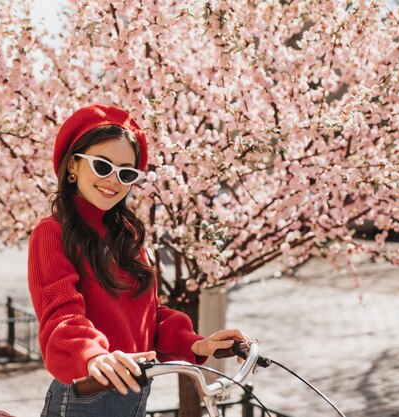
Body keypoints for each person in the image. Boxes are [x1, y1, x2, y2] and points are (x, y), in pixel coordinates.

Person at [28, 104, 249, 417]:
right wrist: (93, 356)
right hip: (86, 394)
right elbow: (61, 317)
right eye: (102, 166)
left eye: (126, 173)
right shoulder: (52, 233)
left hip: (136, 394)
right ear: (73, 166)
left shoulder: (127, 234)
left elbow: (150, 315)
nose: (113, 181)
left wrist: (198, 344)